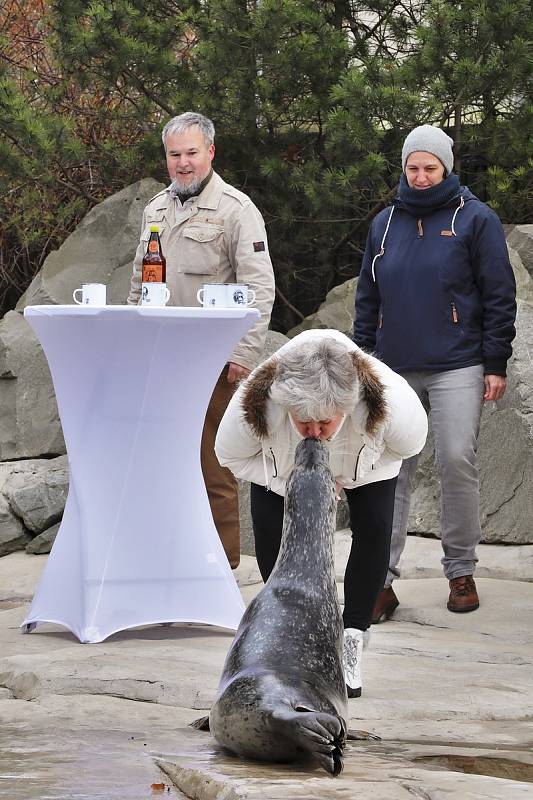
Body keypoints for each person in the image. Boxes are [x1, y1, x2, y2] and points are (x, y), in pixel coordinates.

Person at [353, 124, 516, 620]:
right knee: (391, 471)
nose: (421, 176)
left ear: (446, 168)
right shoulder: (384, 224)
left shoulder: (476, 219)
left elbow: (497, 293)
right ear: (403, 169)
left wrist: (495, 361)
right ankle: (380, 581)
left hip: (459, 364)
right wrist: (363, 359)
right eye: (413, 167)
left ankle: (461, 571)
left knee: (455, 461)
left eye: (430, 167)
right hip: (393, 368)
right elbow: (367, 295)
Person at [215, 330, 427, 697]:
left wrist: (355, 475)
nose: (313, 432)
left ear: (345, 407)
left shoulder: (392, 402)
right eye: (303, 423)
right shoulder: (257, 401)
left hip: (366, 461)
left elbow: (409, 447)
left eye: (323, 424)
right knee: (269, 532)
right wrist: (296, 484)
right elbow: (229, 456)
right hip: (280, 467)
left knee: (375, 527)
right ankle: (289, 630)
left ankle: (353, 636)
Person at [127, 112, 275, 569]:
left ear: (210, 152)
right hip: (162, 359)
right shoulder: (156, 210)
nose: (183, 163)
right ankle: (173, 560)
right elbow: (139, 281)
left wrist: (242, 355)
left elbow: (258, 287)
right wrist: (132, 343)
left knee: (215, 468)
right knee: (164, 463)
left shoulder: (236, 209)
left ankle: (220, 568)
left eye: (192, 153)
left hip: (215, 363)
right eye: (175, 155)